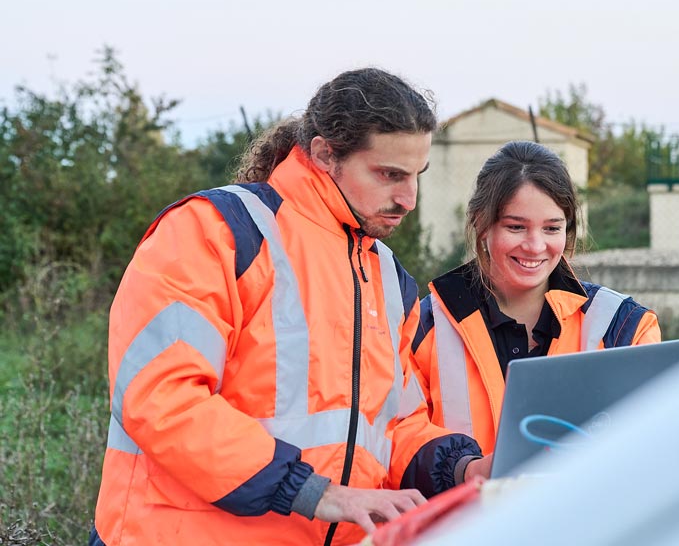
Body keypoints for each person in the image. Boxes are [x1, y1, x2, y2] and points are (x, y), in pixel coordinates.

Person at [89, 68, 483, 546]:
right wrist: (314, 493)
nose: (408, 200)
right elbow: (161, 399)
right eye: (389, 175)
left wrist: (462, 468)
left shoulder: (388, 278)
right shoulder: (216, 231)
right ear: (324, 154)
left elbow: (396, 423)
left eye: (416, 176)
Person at [411, 141, 661, 477]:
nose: (535, 246)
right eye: (516, 227)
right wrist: (464, 469)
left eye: (552, 228)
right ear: (482, 224)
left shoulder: (626, 327)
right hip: (467, 526)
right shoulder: (423, 326)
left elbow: (656, 442)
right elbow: (400, 436)